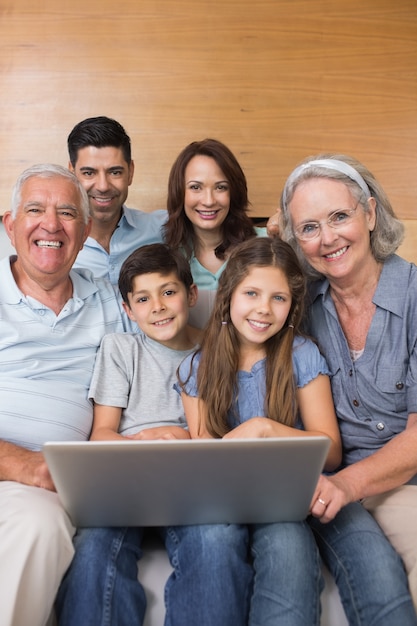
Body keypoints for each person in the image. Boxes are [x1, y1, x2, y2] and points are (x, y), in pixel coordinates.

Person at [56, 243, 253, 626]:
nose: (158, 307)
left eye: (168, 292)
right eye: (143, 299)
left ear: (191, 294)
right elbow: (102, 435)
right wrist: (145, 442)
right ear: (128, 310)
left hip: (197, 480)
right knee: (94, 549)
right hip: (127, 476)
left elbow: (223, 432)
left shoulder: (219, 350)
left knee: (218, 541)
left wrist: (184, 439)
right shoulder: (121, 348)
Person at [279, 154, 417, 621]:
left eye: (340, 216)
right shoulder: (297, 309)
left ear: (371, 213)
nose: (328, 239)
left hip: (402, 485)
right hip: (327, 489)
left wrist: (347, 484)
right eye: (310, 227)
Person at [176, 236, 342, 625]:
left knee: (290, 553)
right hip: (222, 500)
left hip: (284, 502)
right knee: (214, 543)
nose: (263, 310)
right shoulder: (195, 367)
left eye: (278, 298)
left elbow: (331, 450)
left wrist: (265, 428)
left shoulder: (301, 354)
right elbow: (204, 454)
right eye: (251, 293)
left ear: (292, 305)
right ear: (228, 296)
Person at [0, 164, 125, 626]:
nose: (51, 225)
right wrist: (23, 465)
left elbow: (159, 362)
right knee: (39, 519)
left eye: (67, 213)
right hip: (19, 473)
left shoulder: (111, 301)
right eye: (35, 210)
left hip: (60, 485)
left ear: (86, 229)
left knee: (41, 518)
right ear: (11, 226)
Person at [163, 138, 267, 328]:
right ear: (179, 192)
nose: (209, 201)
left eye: (220, 187)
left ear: (233, 192)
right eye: (196, 187)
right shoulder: (167, 256)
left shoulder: (266, 244)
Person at [68, 116, 166, 285]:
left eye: (114, 172)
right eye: (89, 173)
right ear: (72, 173)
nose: (103, 186)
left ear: (131, 172)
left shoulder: (164, 229)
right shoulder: (56, 242)